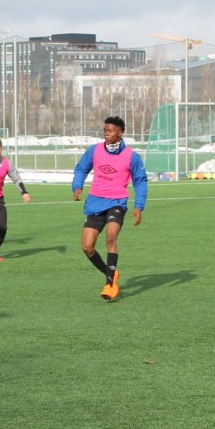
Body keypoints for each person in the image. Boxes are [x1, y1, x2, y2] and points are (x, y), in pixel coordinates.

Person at [71, 116, 147, 301]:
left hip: (117, 203)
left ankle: (109, 284)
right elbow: (81, 168)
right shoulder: (94, 150)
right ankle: (111, 273)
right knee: (87, 247)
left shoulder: (131, 156)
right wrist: (77, 185)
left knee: (111, 237)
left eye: (110, 131)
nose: (106, 133)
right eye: (105, 130)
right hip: (95, 203)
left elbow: (140, 181)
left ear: (120, 133)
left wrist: (139, 206)